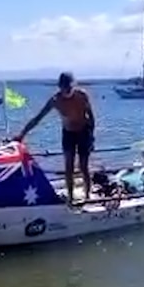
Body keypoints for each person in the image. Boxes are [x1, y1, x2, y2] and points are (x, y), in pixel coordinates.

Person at [13, 71, 95, 203]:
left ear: (73, 86)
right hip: (68, 133)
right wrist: (22, 134)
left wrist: (91, 136)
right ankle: (70, 195)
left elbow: (91, 117)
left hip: (84, 132)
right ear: (60, 87)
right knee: (68, 166)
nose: (67, 91)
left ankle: (88, 194)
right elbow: (38, 118)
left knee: (83, 166)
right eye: (64, 88)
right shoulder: (55, 100)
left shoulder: (82, 96)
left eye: (69, 88)